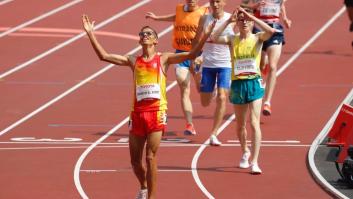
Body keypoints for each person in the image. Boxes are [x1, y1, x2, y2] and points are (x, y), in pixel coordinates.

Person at [82, 14, 215, 199]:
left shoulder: (164, 59)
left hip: (157, 112)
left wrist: (204, 36)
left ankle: (151, 197)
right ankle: (143, 186)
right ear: (139, 40)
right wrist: (90, 34)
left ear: (156, 40)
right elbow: (103, 56)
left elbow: (192, 55)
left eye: (148, 33)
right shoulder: (133, 61)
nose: (144, 35)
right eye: (142, 34)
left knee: (150, 157)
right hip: (137, 114)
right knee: (135, 162)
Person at [210, 7, 275, 173]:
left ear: (252, 22)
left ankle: (255, 161)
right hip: (238, 85)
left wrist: (250, 15)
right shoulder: (232, 39)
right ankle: (245, 150)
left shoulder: (258, 37)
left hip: (254, 83)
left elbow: (271, 30)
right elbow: (214, 37)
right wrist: (228, 21)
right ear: (237, 23)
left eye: (247, 20)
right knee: (240, 126)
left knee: (254, 123)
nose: (244, 22)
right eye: (241, 20)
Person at [146, 0, 208, 135]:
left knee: (201, 88)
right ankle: (189, 124)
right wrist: (157, 18)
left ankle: (206, 87)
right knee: (184, 87)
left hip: (198, 54)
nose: (191, 1)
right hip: (181, 55)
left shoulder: (204, 12)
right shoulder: (180, 9)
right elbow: (175, 17)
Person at [193, 0, 234, 146]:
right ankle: (208, 86)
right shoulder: (205, 19)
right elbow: (197, 40)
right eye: (212, 2)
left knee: (223, 98)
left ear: (224, 2)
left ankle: (214, 134)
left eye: (218, 1)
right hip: (208, 64)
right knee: (205, 103)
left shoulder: (232, 20)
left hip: (225, 64)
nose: (215, 5)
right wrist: (196, 56)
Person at [241, 0, 292, 116]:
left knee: (273, 66)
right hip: (259, 30)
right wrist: (254, 6)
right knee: (261, 65)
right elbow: (242, 5)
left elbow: (281, 5)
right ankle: (264, 65)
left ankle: (267, 102)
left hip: (275, 30)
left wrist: (285, 19)